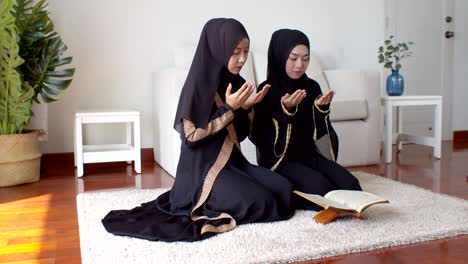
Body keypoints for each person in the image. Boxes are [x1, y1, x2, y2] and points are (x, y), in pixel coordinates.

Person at [102, 18, 294, 242]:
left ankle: (232, 192)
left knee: (283, 188)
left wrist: (246, 108)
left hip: (233, 164)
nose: (242, 59)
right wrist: (230, 108)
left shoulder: (236, 81)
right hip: (201, 173)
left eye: (245, 52)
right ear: (219, 48)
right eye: (235, 52)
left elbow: (239, 135)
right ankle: (209, 201)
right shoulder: (198, 85)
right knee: (262, 202)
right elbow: (191, 137)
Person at [251, 29, 362, 211]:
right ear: (280, 55)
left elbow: (320, 137)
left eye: (306, 58)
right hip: (281, 161)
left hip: (310, 156)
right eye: (293, 58)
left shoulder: (312, 87)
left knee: (352, 185)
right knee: (322, 189)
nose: (300, 65)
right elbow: (258, 137)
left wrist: (321, 112)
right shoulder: (267, 90)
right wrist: (284, 113)